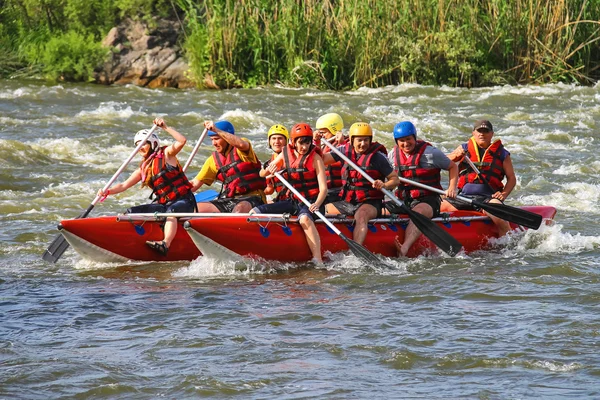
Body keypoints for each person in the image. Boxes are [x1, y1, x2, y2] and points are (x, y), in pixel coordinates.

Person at [97, 118, 196, 256]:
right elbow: (124, 185)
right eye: (138, 145)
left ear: (153, 143)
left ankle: (165, 244)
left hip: (184, 201)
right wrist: (107, 191)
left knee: (171, 213)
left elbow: (182, 141)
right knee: (130, 212)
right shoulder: (144, 167)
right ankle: (127, 241)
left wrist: (165, 127)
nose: (140, 147)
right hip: (164, 204)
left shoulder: (167, 154)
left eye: (144, 144)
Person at [251, 123, 328, 263]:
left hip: (311, 202)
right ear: (293, 142)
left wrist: (316, 204)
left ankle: (318, 259)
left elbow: (323, 189)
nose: (304, 147)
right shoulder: (286, 153)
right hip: (292, 201)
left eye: (307, 143)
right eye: (301, 143)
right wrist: (270, 168)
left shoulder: (316, 158)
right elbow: (262, 174)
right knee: (256, 211)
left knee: (304, 218)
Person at [321, 122, 399, 245]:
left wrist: (384, 185)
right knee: (321, 210)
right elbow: (322, 159)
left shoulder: (378, 157)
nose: (363, 144)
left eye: (366, 140)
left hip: (371, 202)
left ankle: (356, 251)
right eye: (359, 140)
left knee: (361, 215)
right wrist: (313, 142)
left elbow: (395, 179)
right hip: (348, 201)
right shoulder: (343, 152)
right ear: (352, 140)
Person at [388, 121, 458, 257]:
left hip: (429, 200)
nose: (406, 143)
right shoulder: (392, 155)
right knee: (380, 210)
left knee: (418, 213)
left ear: (414, 138)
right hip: (404, 199)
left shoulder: (430, 153)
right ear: (397, 142)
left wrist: (452, 188)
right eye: (401, 141)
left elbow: (453, 166)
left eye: (409, 139)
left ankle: (404, 249)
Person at [440, 119, 516, 236]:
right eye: (479, 131)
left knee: (501, 219)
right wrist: (456, 155)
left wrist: (503, 194)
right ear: (473, 133)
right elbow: (443, 162)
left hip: (488, 198)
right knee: (439, 208)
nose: (482, 134)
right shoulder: (464, 148)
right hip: (464, 197)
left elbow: (511, 178)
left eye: (486, 131)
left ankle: (507, 248)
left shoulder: (502, 154)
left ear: (492, 134)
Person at [191, 120, 267, 213]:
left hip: (254, 199)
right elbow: (195, 184)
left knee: (239, 209)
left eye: (217, 138)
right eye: (212, 139)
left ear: (226, 137)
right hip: (230, 200)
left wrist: (216, 130)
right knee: (194, 209)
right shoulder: (212, 161)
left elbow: (241, 144)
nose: (213, 143)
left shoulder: (241, 150)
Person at [313, 113, 347, 205]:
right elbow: (316, 159)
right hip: (326, 190)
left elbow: (349, 156)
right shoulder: (323, 146)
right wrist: (316, 142)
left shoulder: (346, 144)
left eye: (323, 133)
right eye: (320, 133)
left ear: (334, 130)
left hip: (340, 190)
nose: (322, 136)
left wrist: (342, 143)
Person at [261, 124, 290, 202]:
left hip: (294, 199)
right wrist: (257, 193)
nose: (276, 142)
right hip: (281, 200)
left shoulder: (293, 158)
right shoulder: (269, 163)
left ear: (286, 141)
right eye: (273, 138)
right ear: (269, 141)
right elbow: (270, 190)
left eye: (280, 138)